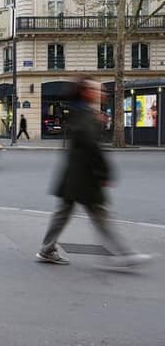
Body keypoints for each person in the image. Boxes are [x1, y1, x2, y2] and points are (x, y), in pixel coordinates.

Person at [36, 77, 151, 268]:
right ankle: (125, 254)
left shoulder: (81, 113)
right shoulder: (86, 116)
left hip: (75, 174)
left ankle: (47, 249)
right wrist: (104, 172)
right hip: (85, 176)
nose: (102, 93)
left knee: (65, 213)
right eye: (98, 90)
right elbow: (92, 147)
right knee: (99, 215)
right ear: (86, 93)